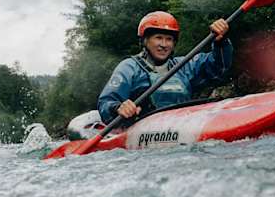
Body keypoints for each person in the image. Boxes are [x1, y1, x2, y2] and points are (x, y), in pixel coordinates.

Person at [97, 11, 232, 124]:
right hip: (142, 131)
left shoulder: (184, 65)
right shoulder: (129, 68)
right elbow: (106, 103)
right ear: (145, 40)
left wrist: (220, 41)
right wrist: (118, 108)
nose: (164, 44)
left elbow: (219, 69)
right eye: (158, 38)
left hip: (183, 125)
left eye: (169, 39)